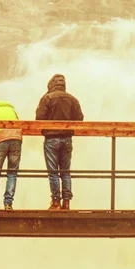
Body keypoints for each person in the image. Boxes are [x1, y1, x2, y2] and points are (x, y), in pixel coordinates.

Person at [35, 74, 84, 210]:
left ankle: (56, 201)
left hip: (51, 138)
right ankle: (67, 202)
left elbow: (39, 118)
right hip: (67, 139)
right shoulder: (72, 99)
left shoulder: (47, 98)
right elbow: (79, 119)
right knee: (65, 171)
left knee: (53, 172)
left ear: (51, 84)